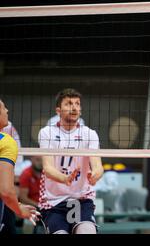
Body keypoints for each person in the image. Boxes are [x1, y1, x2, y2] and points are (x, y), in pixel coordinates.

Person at [38, 88, 104, 234]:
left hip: (81, 199)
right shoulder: (47, 133)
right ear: (58, 111)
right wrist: (65, 178)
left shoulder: (89, 134)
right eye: (68, 103)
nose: (74, 107)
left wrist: (95, 175)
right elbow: (48, 168)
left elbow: (98, 166)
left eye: (77, 103)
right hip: (54, 202)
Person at [0, 98, 40, 233]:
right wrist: (19, 208)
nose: (7, 110)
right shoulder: (6, 142)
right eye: (3, 108)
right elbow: (5, 191)